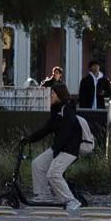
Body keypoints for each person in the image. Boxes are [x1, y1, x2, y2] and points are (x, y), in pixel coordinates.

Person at [20, 83, 83, 211]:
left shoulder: (67, 109)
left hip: (69, 150)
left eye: (53, 94)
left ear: (59, 95)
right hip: (58, 148)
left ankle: (71, 201)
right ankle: (44, 195)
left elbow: (67, 131)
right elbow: (46, 129)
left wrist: (57, 151)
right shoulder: (56, 110)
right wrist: (28, 140)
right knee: (37, 164)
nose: (51, 96)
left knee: (53, 174)